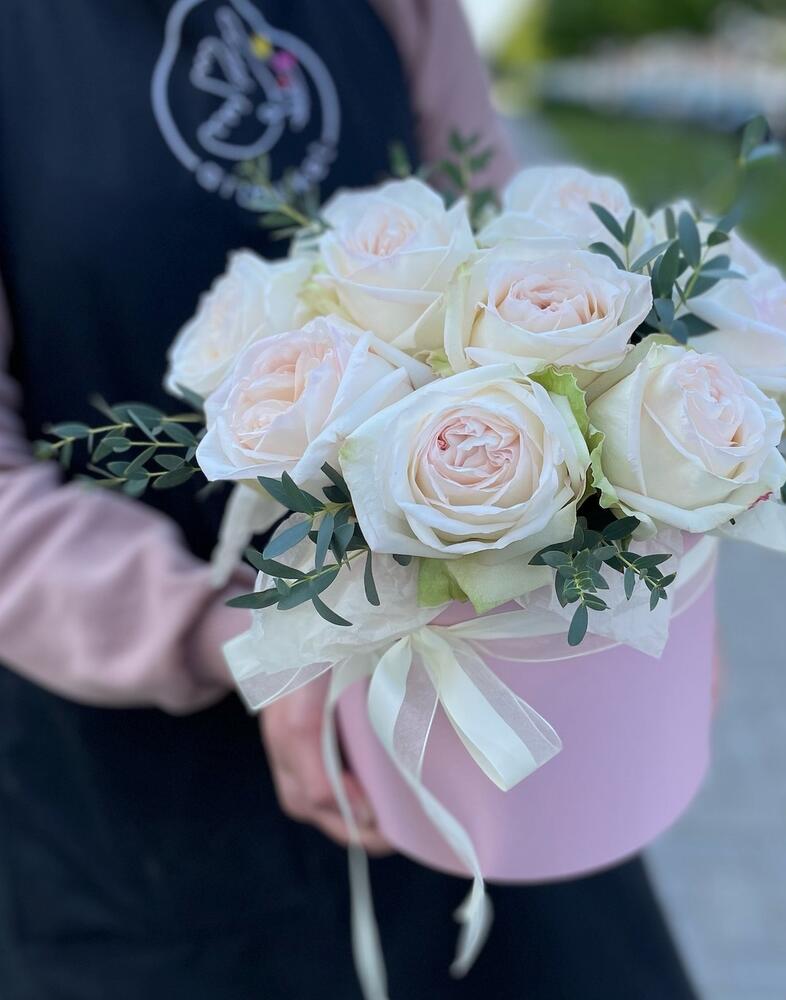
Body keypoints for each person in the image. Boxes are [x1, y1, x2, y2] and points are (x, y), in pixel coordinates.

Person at [0, 2, 699, 997]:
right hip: (145, 809)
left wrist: (664, 539)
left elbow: (511, 257)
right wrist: (246, 634)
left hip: (458, 720)